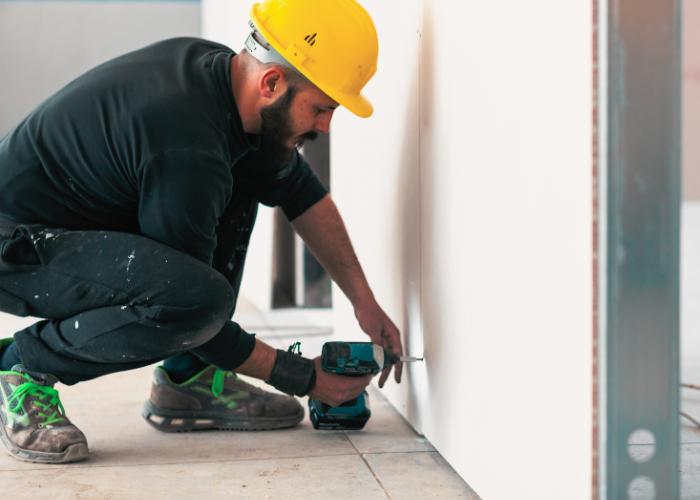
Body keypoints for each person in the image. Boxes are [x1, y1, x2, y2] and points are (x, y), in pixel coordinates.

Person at [0, 0, 403, 464]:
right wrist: (304, 377)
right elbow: (190, 308)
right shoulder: (186, 143)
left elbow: (302, 194)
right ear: (272, 82)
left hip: (70, 225)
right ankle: (22, 368)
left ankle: (186, 377)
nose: (325, 126)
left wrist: (364, 302)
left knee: (249, 177)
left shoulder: (226, 85)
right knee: (194, 303)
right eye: (321, 108)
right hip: (17, 246)